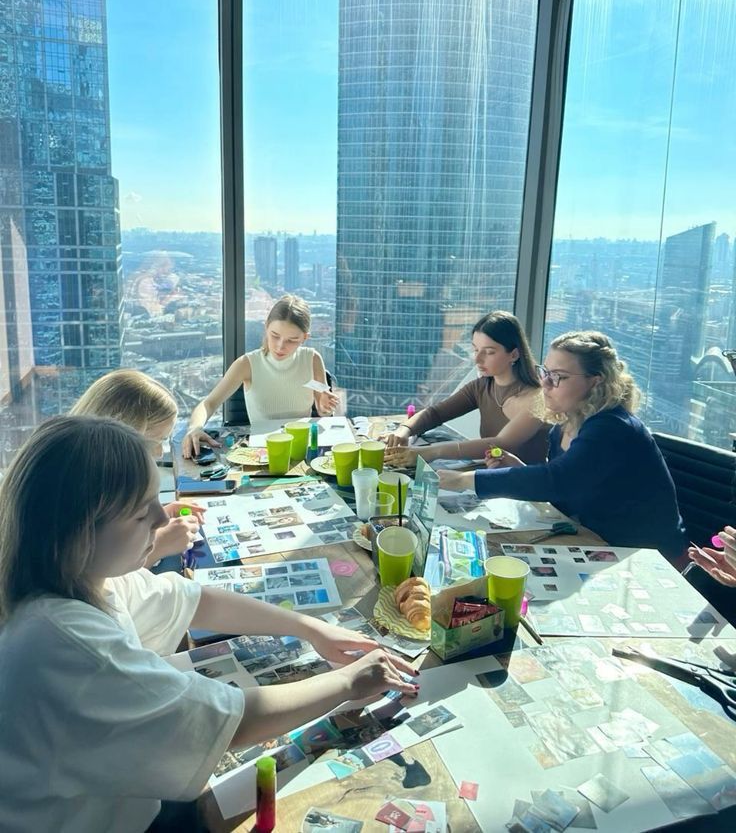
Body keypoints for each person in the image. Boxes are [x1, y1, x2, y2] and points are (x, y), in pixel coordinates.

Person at [0, 416, 417, 832]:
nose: (161, 520)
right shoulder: (65, 645)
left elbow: (199, 601)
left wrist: (312, 629)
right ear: (78, 532)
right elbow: (233, 720)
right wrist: (350, 682)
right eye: (140, 513)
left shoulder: (86, 582)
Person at [438, 330, 687, 559]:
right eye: (545, 373)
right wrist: (519, 467)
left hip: (646, 556)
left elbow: (557, 480)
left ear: (595, 381)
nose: (544, 385)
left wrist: (464, 480)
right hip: (596, 540)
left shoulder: (612, 427)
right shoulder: (565, 425)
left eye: (559, 377)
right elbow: (567, 489)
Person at [70, 369, 204, 568]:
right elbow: (92, 580)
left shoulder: (89, 468)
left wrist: (148, 521)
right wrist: (159, 545)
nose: (159, 453)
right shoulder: (84, 491)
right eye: (154, 442)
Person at [383, 311, 548, 467]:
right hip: (494, 477)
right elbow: (436, 413)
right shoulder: (482, 386)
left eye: (489, 352)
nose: (477, 359)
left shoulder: (536, 398)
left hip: (529, 489)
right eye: (476, 349)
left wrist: (432, 452)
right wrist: (404, 430)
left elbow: (502, 443)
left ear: (514, 354)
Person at [183, 295, 337, 458]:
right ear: (266, 327)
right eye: (275, 335)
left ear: (305, 338)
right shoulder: (247, 364)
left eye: (292, 340)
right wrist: (195, 428)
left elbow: (322, 410)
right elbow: (209, 403)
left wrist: (325, 407)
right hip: (262, 453)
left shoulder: (312, 359)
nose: (280, 346)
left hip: (302, 451)